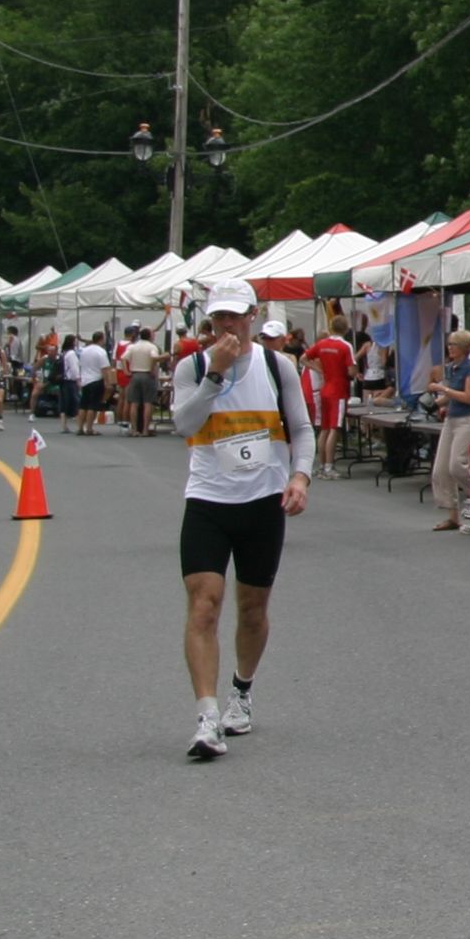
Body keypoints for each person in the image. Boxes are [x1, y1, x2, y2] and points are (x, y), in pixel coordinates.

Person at [170, 285, 314, 761]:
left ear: (252, 317)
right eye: (216, 320)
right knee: (204, 605)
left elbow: (300, 428)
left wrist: (300, 476)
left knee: (252, 609)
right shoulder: (191, 367)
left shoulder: (278, 367)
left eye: (233, 317)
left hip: (262, 501)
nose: (225, 328)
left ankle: (242, 691)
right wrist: (214, 376)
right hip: (208, 500)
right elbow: (185, 425)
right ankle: (207, 716)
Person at [426, 329, 470, 531]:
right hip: (452, 418)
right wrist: (435, 403)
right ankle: (452, 514)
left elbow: (468, 396)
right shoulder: (451, 368)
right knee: (440, 469)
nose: (450, 348)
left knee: (457, 465)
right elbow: (450, 397)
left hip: (468, 419)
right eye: (449, 344)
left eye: (454, 345)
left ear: (464, 348)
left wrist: (443, 390)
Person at [306, 320, 354, 475]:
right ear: (345, 329)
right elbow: (352, 371)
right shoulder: (346, 346)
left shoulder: (322, 344)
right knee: (334, 428)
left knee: (324, 428)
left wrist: (320, 370)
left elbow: (303, 358)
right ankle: (329, 466)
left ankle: (322, 466)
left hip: (325, 388)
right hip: (339, 390)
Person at [122, 326, 163, 437]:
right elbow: (154, 358)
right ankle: (145, 429)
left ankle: (134, 429)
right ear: (149, 336)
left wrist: (126, 371)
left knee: (134, 403)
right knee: (148, 403)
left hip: (135, 375)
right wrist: (152, 368)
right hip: (147, 375)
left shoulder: (133, 346)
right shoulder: (152, 347)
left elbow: (123, 358)